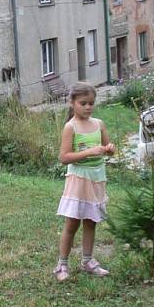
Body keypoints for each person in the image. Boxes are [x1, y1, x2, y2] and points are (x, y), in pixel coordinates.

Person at [53, 82, 115, 281]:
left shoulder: (99, 124)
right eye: (83, 103)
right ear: (72, 103)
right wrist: (88, 152)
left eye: (91, 103)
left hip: (97, 179)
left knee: (91, 222)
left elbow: (108, 146)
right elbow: (63, 157)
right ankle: (62, 264)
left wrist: (110, 149)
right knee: (72, 224)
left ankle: (87, 260)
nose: (88, 107)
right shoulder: (70, 127)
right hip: (79, 179)